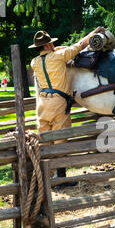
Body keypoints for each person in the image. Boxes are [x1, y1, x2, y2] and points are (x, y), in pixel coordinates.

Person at [29, 27, 103, 187]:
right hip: (58, 102)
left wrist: (55, 49)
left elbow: (54, 53)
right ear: (49, 45)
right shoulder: (59, 56)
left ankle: (45, 179)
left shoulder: (34, 62)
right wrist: (94, 32)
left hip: (42, 104)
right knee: (61, 138)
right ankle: (61, 178)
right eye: (52, 44)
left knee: (44, 140)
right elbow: (81, 45)